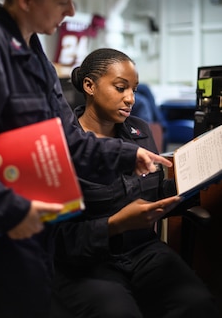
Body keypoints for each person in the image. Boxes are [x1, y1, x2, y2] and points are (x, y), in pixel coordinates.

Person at [0, 0, 172, 318]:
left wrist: (129, 153)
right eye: (62, 1)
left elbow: (69, 141)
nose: (71, 10)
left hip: (39, 231)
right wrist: (12, 210)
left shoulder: (36, 55)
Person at [51, 48, 220, 318]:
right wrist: (115, 225)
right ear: (89, 85)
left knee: (198, 304)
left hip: (143, 251)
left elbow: (150, 195)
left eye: (134, 90)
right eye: (120, 88)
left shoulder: (139, 132)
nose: (130, 99)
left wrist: (191, 186)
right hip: (89, 260)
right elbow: (58, 240)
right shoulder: (63, 146)